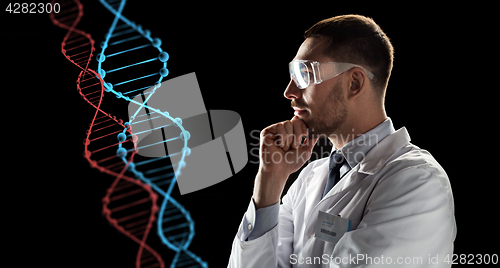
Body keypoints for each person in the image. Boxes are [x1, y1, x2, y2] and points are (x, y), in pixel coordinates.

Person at [227, 15, 456, 267]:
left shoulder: (417, 180)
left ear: (354, 83)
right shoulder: (308, 178)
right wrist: (269, 182)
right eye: (293, 73)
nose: (289, 91)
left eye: (305, 73)